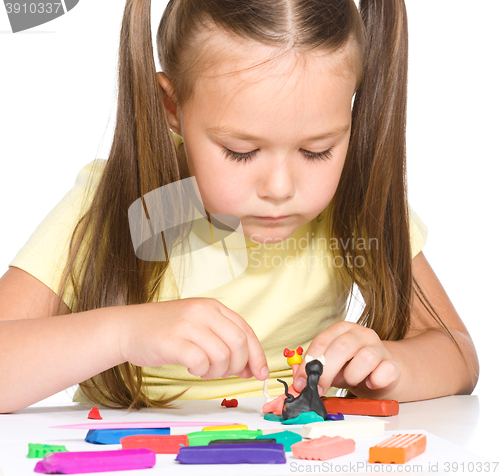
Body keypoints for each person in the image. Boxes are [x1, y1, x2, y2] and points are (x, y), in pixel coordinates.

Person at [0, 0, 479, 413]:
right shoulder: (120, 202)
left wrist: (390, 367)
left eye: (316, 151)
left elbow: (457, 355)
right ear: (173, 108)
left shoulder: (351, 208)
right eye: (240, 151)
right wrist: (123, 334)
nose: (279, 187)